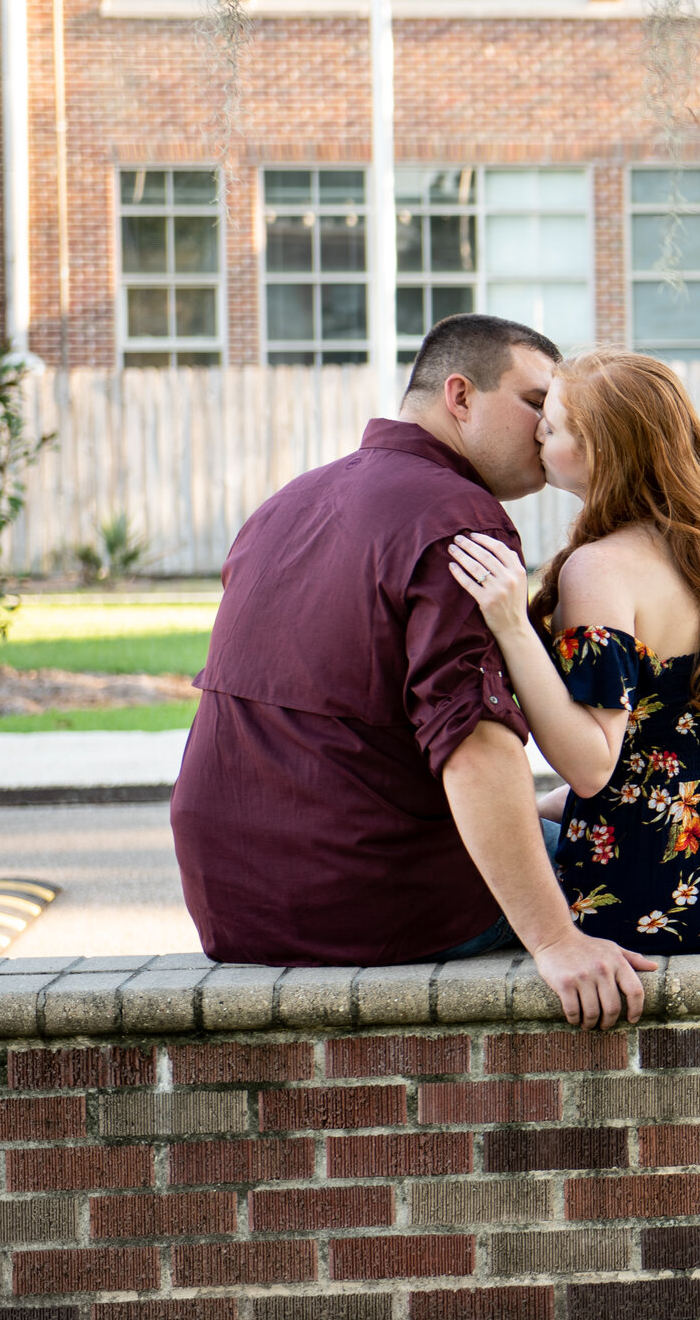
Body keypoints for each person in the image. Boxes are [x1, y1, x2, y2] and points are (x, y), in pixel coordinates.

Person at [172, 315, 654, 1030]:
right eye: (534, 401)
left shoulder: (286, 504)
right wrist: (555, 942)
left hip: (231, 901)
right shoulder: (457, 516)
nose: (547, 425)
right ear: (460, 396)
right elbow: (474, 744)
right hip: (374, 898)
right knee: (667, 866)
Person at [445, 350, 700, 954]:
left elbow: (595, 765)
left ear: (600, 451)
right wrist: (534, 808)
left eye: (554, 422)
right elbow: (676, 741)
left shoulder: (599, 570)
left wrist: (513, 626)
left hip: (666, 884)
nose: (538, 430)